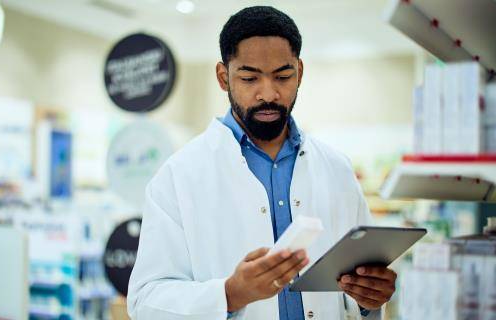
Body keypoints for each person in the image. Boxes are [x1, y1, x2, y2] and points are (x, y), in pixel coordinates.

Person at [127, 6, 396, 320]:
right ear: (223, 77)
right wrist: (229, 294)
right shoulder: (178, 175)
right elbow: (145, 301)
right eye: (250, 77)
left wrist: (368, 298)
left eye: (283, 76)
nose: (268, 93)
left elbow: (358, 283)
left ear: (300, 72)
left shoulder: (337, 169)